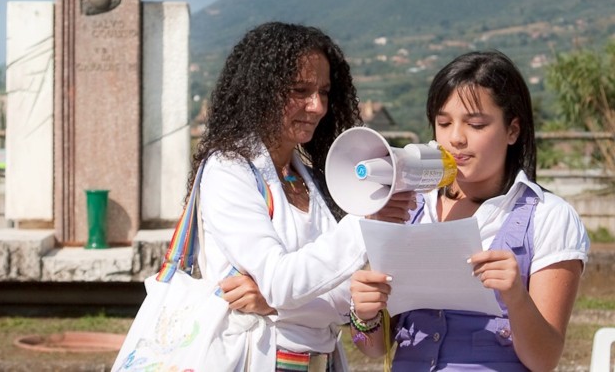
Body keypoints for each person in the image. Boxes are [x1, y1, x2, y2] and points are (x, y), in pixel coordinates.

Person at [348, 50, 590, 371]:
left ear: (513, 131)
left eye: (475, 124)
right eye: (444, 123)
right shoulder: (408, 207)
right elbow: (376, 350)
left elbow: (544, 360)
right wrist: (364, 314)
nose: (456, 138)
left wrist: (516, 297)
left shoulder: (549, 216)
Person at [193, 22, 413, 371]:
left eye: (324, 92)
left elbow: (342, 300)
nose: (318, 106)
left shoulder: (310, 175)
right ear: (259, 91)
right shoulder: (228, 170)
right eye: (300, 90)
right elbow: (286, 282)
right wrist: (365, 219)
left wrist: (277, 303)